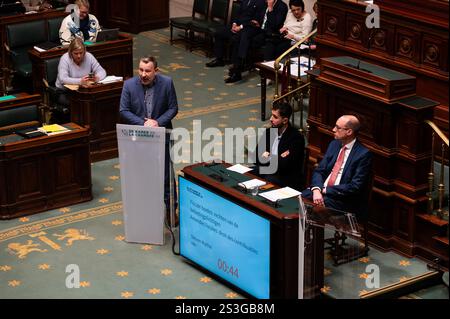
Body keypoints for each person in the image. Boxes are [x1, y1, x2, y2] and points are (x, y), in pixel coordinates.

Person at [119, 56, 179, 218]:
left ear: (156, 71)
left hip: (162, 136)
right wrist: (143, 123)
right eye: (141, 70)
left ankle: (171, 210)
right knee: (142, 175)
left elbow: (173, 108)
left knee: (166, 175)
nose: (143, 74)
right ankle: (145, 211)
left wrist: (157, 122)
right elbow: (123, 110)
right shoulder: (129, 85)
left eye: (147, 71)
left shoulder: (166, 83)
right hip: (138, 140)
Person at [302, 115, 372, 216]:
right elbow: (319, 170)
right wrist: (317, 189)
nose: (334, 130)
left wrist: (325, 190)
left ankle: (310, 232)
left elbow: (355, 186)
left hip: (342, 200)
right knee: (298, 199)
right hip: (321, 191)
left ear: (349, 132)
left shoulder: (363, 154)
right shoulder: (334, 144)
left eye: (338, 127)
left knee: (314, 210)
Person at [225, 0, 288, 83]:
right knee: (241, 35)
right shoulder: (264, 3)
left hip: (269, 33)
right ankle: (238, 66)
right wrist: (256, 21)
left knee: (244, 38)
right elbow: (258, 16)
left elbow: (275, 24)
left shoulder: (282, 6)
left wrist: (270, 8)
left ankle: (238, 68)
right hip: (258, 29)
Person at [255, 102, 305, 190]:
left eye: (275, 117)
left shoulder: (296, 138)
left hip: (286, 178)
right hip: (267, 171)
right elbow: (256, 157)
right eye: (271, 115)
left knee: (269, 180)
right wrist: (274, 158)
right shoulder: (268, 132)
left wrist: (268, 157)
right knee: (248, 172)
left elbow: (284, 165)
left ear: (285, 120)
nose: (270, 119)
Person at [54, 37, 106, 122]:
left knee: (96, 102)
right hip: (64, 92)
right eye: (76, 53)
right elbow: (63, 79)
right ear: (71, 53)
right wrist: (80, 81)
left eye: (81, 53)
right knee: (80, 104)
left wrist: (97, 78)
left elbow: (102, 71)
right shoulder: (65, 59)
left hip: (83, 91)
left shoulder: (89, 56)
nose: (79, 56)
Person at [205, 0, 266, 69]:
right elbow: (237, 14)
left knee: (237, 39)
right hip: (236, 25)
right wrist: (234, 24)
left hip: (247, 28)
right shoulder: (245, 1)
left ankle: (236, 65)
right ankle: (219, 59)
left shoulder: (261, 2)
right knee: (219, 33)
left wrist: (240, 27)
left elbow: (256, 21)